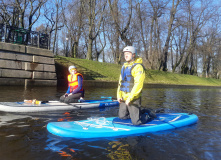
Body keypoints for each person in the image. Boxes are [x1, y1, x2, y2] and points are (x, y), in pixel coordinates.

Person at [117, 46, 156, 125]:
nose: (126, 55)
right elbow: (120, 82)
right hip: (124, 96)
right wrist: (119, 95)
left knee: (136, 122)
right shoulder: (124, 66)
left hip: (134, 98)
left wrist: (130, 98)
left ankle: (146, 114)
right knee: (122, 116)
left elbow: (138, 84)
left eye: (128, 53)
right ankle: (139, 112)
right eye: (125, 54)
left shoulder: (138, 67)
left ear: (133, 55)